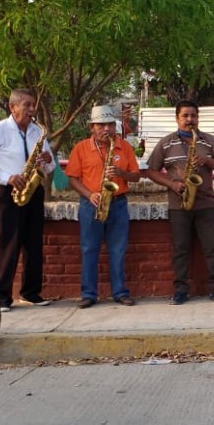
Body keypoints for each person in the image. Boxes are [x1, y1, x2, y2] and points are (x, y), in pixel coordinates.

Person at [146, 100, 214, 305]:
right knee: (181, 249)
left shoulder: (209, 141)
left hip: (206, 203)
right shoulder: (166, 143)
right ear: (177, 118)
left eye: (193, 116)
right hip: (179, 204)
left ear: (198, 118)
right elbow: (151, 171)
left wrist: (206, 160)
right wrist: (172, 184)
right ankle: (181, 290)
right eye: (185, 116)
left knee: (211, 248)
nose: (189, 120)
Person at [0, 88, 55, 312]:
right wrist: (7, 178)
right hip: (8, 192)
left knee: (34, 244)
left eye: (33, 105)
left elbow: (51, 165)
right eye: (27, 105)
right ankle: (2, 297)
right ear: (12, 107)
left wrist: (47, 160)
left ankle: (31, 293)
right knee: (9, 244)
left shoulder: (37, 131)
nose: (32, 109)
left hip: (33, 191)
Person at [66, 105, 140, 308]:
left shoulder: (124, 147)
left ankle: (120, 292)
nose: (106, 129)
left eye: (110, 124)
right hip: (91, 204)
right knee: (89, 249)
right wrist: (90, 195)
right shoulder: (81, 148)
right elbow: (72, 178)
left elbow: (136, 176)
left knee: (118, 250)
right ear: (92, 127)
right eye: (101, 125)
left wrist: (121, 173)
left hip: (118, 204)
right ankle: (89, 294)